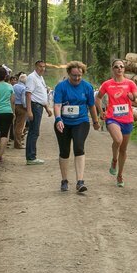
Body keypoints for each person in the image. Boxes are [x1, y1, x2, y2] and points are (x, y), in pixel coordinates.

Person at [53, 61, 100, 193]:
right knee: (64, 151)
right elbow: (57, 105)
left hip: (81, 121)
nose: (77, 78)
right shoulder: (61, 87)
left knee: (79, 147)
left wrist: (95, 121)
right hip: (64, 122)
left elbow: (91, 105)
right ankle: (64, 180)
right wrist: (58, 119)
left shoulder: (87, 87)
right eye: (74, 75)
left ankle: (80, 181)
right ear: (69, 74)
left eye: (79, 75)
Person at [97, 60, 137, 188]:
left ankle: (120, 175)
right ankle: (114, 159)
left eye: (121, 66)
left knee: (123, 149)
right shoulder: (107, 84)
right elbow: (98, 98)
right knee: (118, 140)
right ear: (113, 69)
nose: (119, 69)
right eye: (116, 67)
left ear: (124, 69)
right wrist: (101, 111)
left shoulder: (130, 84)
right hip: (112, 118)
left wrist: (133, 98)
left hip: (127, 119)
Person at [25, 61, 49, 165]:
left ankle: (31, 156)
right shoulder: (32, 77)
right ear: (36, 66)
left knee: (35, 131)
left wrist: (47, 108)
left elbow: (40, 94)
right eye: (40, 66)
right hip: (34, 106)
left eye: (44, 67)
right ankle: (31, 157)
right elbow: (28, 94)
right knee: (33, 132)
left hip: (39, 106)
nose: (42, 68)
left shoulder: (40, 78)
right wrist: (29, 111)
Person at [11, 73, 28, 150]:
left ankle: (16, 141)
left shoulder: (14, 86)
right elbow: (24, 100)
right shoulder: (24, 88)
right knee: (20, 126)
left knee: (15, 124)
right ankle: (18, 144)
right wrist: (26, 108)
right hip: (21, 107)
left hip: (14, 106)